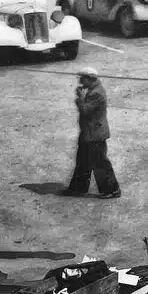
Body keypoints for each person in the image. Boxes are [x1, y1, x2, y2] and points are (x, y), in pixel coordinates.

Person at [62, 67, 121, 199]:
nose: (80, 81)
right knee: (83, 161)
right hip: (89, 133)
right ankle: (78, 188)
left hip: (95, 134)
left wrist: (80, 98)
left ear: (90, 78)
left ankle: (112, 190)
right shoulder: (93, 89)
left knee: (100, 163)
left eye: (82, 78)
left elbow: (85, 110)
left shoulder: (96, 93)